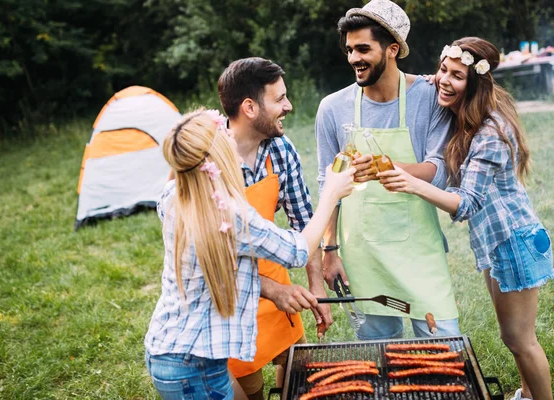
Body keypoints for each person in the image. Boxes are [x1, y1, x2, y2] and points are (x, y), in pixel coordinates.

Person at [379, 37, 553, 400]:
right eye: (443, 69)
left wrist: (411, 183)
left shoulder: (490, 132)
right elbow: (437, 80)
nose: (444, 79)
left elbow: (468, 203)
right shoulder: (470, 113)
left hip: (514, 242)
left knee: (522, 341)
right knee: (512, 338)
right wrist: (438, 78)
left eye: (457, 75)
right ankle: (526, 394)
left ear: (474, 83)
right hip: (498, 242)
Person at [144, 109, 356, 400]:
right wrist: (332, 193)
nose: (232, 135)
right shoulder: (231, 217)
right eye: (224, 135)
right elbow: (299, 250)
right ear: (214, 160)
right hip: (195, 365)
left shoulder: (174, 196)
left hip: (167, 347)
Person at [316, 0, 461, 340]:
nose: (354, 58)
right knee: (381, 358)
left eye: (363, 48)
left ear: (392, 49)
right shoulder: (332, 108)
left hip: (419, 253)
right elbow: (327, 186)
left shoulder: (429, 97)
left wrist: (386, 166)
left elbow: (439, 170)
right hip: (364, 259)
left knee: (446, 350)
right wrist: (329, 250)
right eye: (350, 49)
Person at [217, 57, 333, 400]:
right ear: (250, 107)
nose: (289, 106)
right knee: (249, 389)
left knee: (297, 370)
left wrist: (316, 285)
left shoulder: (281, 150)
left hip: (277, 281)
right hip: (231, 292)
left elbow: (303, 221)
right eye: (279, 99)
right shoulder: (209, 159)